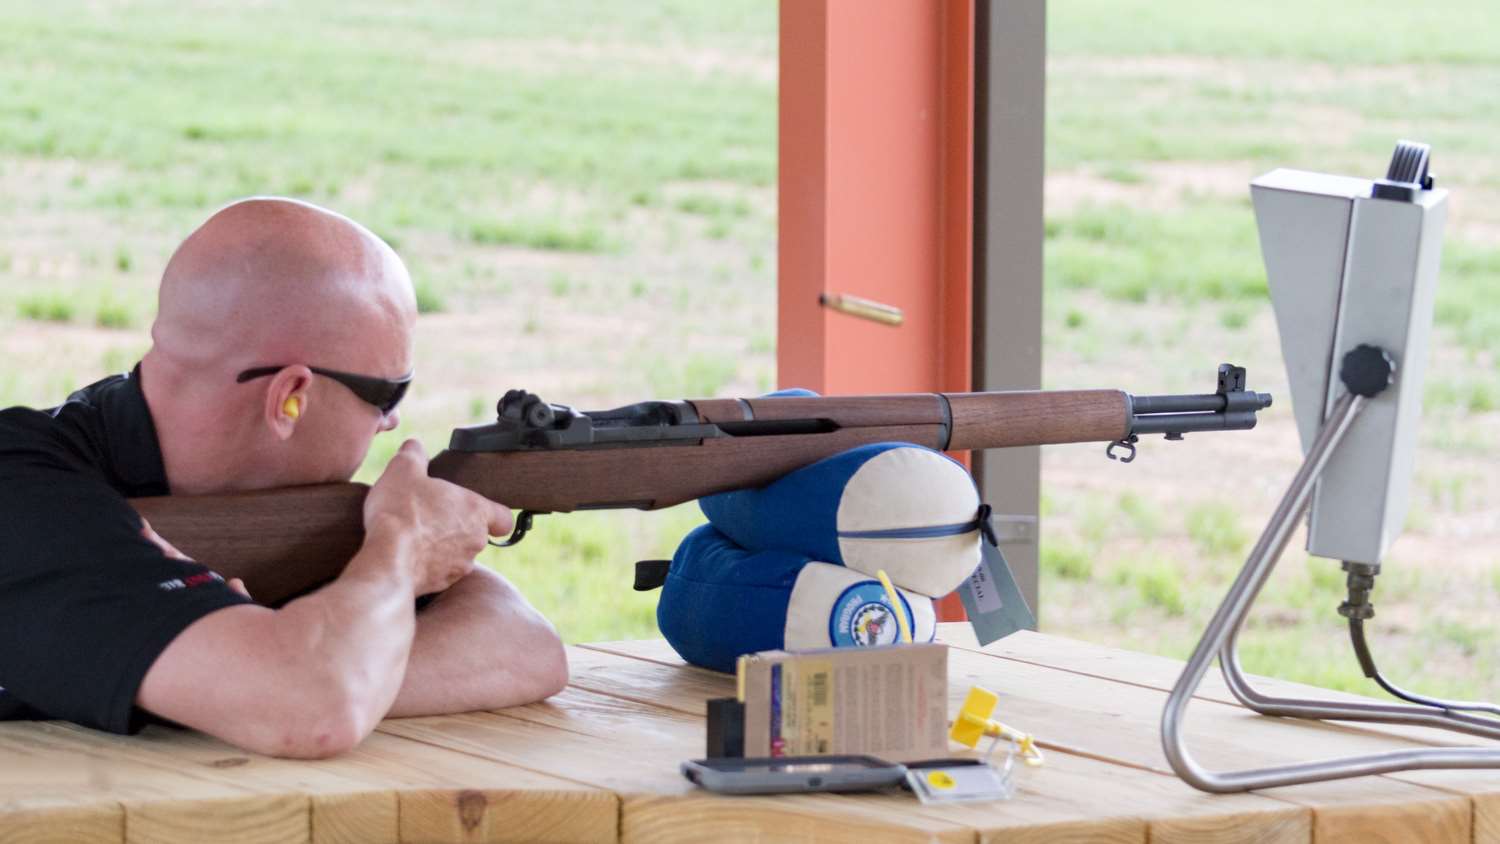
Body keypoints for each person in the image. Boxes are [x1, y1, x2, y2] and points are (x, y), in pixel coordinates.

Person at [0, 197, 568, 758]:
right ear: (289, 398)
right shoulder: (22, 498)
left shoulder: (270, 511)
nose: (392, 422)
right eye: (388, 393)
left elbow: (525, 646)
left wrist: (261, 673)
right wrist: (401, 548)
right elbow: (313, 710)